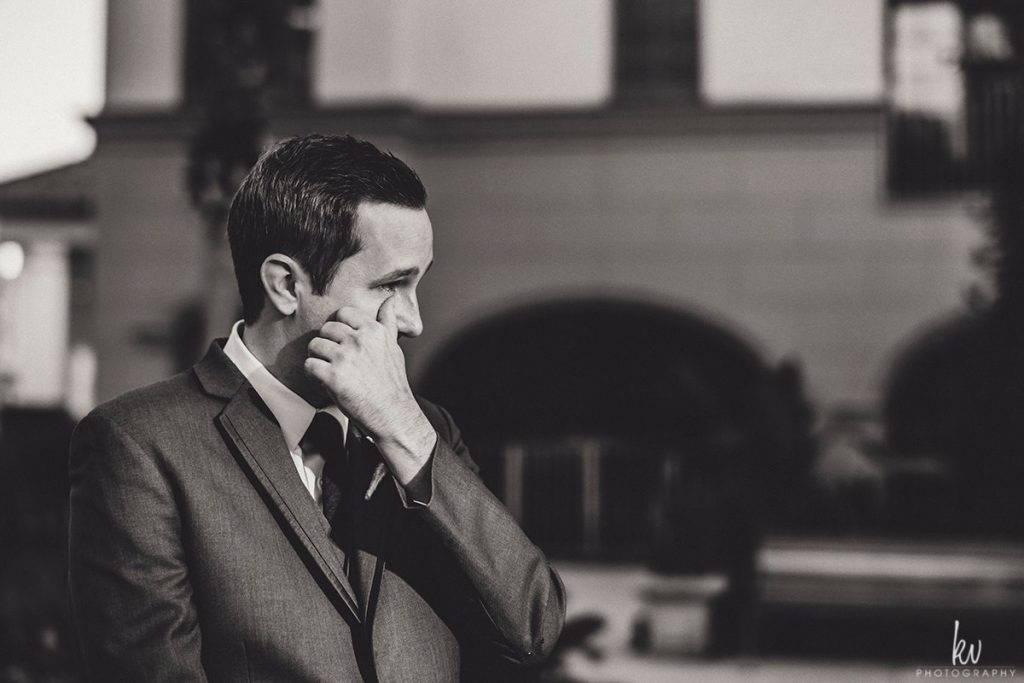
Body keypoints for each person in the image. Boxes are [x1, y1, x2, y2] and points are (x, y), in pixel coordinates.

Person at [68, 134, 565, 681]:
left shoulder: (427, 433)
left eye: (418, 282)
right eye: (392, 285)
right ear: (287, 285)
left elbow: (532, 630)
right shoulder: (139, 445)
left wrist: (405, 434)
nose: (413, 321)